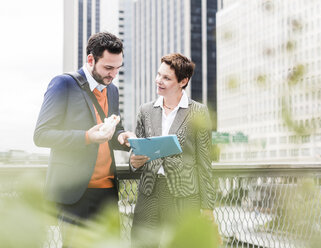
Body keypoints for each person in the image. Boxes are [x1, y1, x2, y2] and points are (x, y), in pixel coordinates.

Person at [34, 32, 135, 246]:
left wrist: (125, 137)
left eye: (118, 68)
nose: (113, 75)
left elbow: (112, 135)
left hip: (108, 193)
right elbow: (41, 135)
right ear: (91, 60)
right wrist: (87, 137)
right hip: (77, 194)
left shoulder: (113, 91)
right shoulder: (63, 84)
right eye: (108, 68)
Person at [130, 53, 216, 247]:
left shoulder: (198, 112)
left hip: (184, 196)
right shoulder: (145, 110)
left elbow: (204, 163)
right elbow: (137, 149)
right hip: (149, 193)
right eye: (159, 75)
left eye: (166, 78)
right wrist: (134, 161)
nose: (158, 81)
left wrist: (208, 207)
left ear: (183, 81)